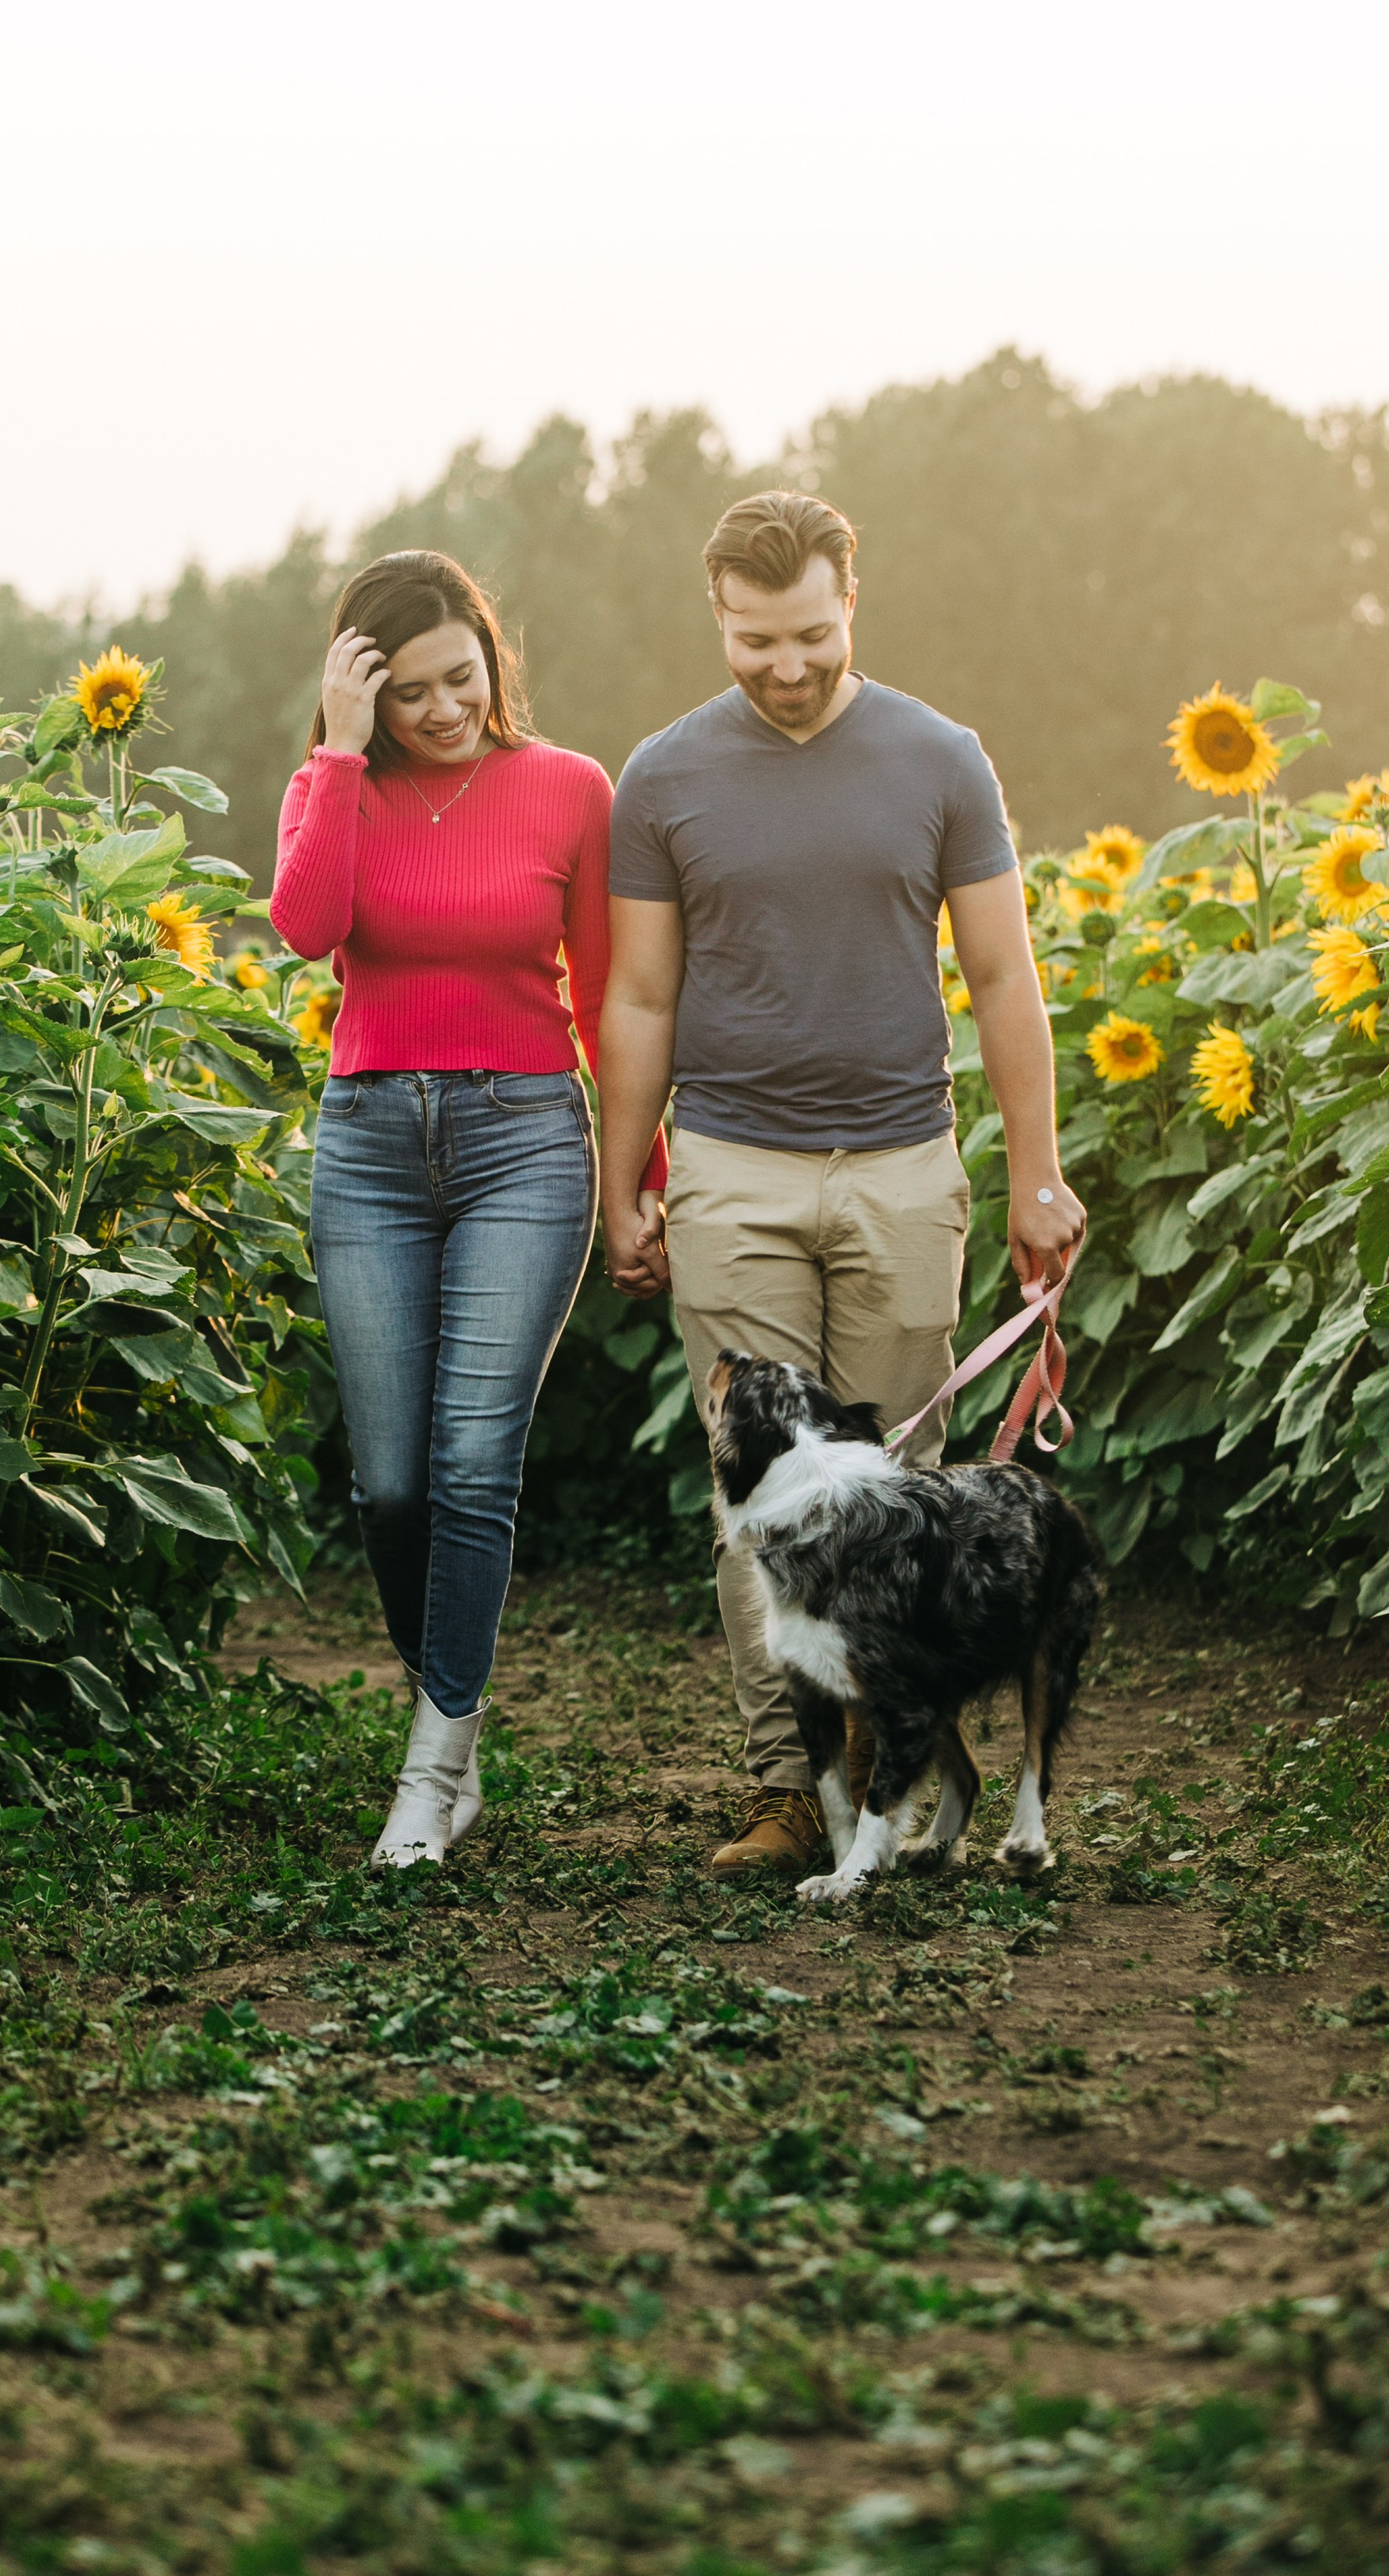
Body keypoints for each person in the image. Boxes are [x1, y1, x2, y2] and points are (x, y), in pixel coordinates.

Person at [596, 489, 1087, 1881]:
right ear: (720, 620)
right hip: (734, 1170)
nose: (788, 664)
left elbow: (1003, 975)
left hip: (901, 1172)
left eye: (810, 632)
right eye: (758, 641)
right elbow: (637, 996)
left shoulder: (940, 760)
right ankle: (786, 1792)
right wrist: (623, 1176)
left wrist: (1036, 1176)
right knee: (752, 1503)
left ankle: (897, 1781)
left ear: (850, 603)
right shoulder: (667, 776)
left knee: (900, 1494)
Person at [270, 550, 664, 1868]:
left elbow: (613, 996)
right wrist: (335, 751)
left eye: (462, 678)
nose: (441, 710)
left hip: (525, 1143)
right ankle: (456, 1705)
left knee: (472, 1460)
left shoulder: (569, 790)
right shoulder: (334, 791)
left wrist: (635, 1182)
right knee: (390, 1484)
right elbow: (306, 928)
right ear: (363, 688)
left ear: (495, 661)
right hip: (372, 1139)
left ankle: (433, 1769)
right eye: (409, 691)